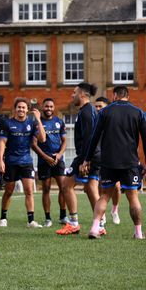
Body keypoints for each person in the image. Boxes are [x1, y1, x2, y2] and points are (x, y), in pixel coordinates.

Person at [83, 86, 146, 239]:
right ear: (127, 96)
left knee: (104, 196)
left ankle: (94, 228)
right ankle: (138, 233)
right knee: (133, 197)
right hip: (130, 162)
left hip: (108, 161)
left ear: (115, 95)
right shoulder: (138, 112)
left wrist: (87, 158)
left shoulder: (105, 111)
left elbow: (94, 136)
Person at [0, 98, 46, 228]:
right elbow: (2, 143)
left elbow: (42, 138)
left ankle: (31, 221)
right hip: (11, 162)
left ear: (27, 110)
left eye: (24, 107)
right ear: (15, 109)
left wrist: (39, 120)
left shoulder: (31, 123)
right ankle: (3, 217)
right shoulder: (8, 123)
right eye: (19, 107)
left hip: (26, 161)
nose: (21, 110)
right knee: (8, 191)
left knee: (29, 191)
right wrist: (0, 160)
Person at [57, 82, 99, 236]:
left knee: (67, 185)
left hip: (86, 156)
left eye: (74, 92)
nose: (72, 95)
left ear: (82, 94)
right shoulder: (89, 110)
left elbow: (89, 138)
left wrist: (85, 161)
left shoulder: (86, 112)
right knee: (90, 189)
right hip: (92, 156)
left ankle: (73, 223)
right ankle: (99, 224)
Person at [34, 98, 67, 227]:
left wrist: (59, 155)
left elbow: (64, 141)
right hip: (44, 161)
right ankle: (48, 218)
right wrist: (45, 157)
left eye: (51, 106)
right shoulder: (37, 123)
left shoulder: (59, 122)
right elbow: (34, 144)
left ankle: (63, 216)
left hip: (58, 160)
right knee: (46, 189)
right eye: (46, 106)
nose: (49, 108)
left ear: (54, 108)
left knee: (63, 188)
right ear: (43, 107)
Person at [95, 96, 121, 225]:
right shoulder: (95, 120)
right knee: (102, 186)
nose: (98, 109)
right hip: (99, 158)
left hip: (114, 158)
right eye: (96, 106)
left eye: (100, 106)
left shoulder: (113, 121)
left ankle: (114, 210)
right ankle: (102, 214)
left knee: (116, 186)